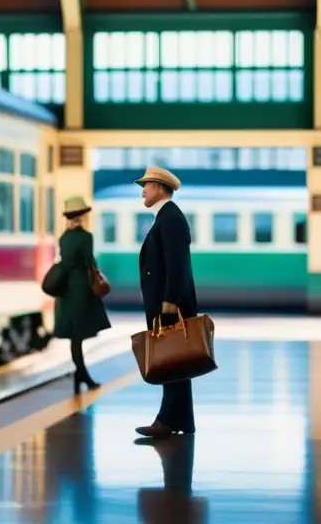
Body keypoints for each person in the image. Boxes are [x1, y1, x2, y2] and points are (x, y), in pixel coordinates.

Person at [134, 165, 198, 439]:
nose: (143, 192)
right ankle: (181, 419)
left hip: (170, 306)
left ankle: (166, 420)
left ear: (160, 187)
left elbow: (177, 266)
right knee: (176, 362)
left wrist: (170, 302)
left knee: (172, 362)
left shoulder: (170, 218)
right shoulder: (167, 217)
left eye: (146, 186)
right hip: (167, 304)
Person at [52, 195, 111, 394]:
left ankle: (80, 376)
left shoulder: (63, 238)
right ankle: (83, 375)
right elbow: (89, 262)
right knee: (79, 335)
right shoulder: (86, 237)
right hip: (80, 289)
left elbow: (66, 260)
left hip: (65, 290)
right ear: (82, 216)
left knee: (74, 336)